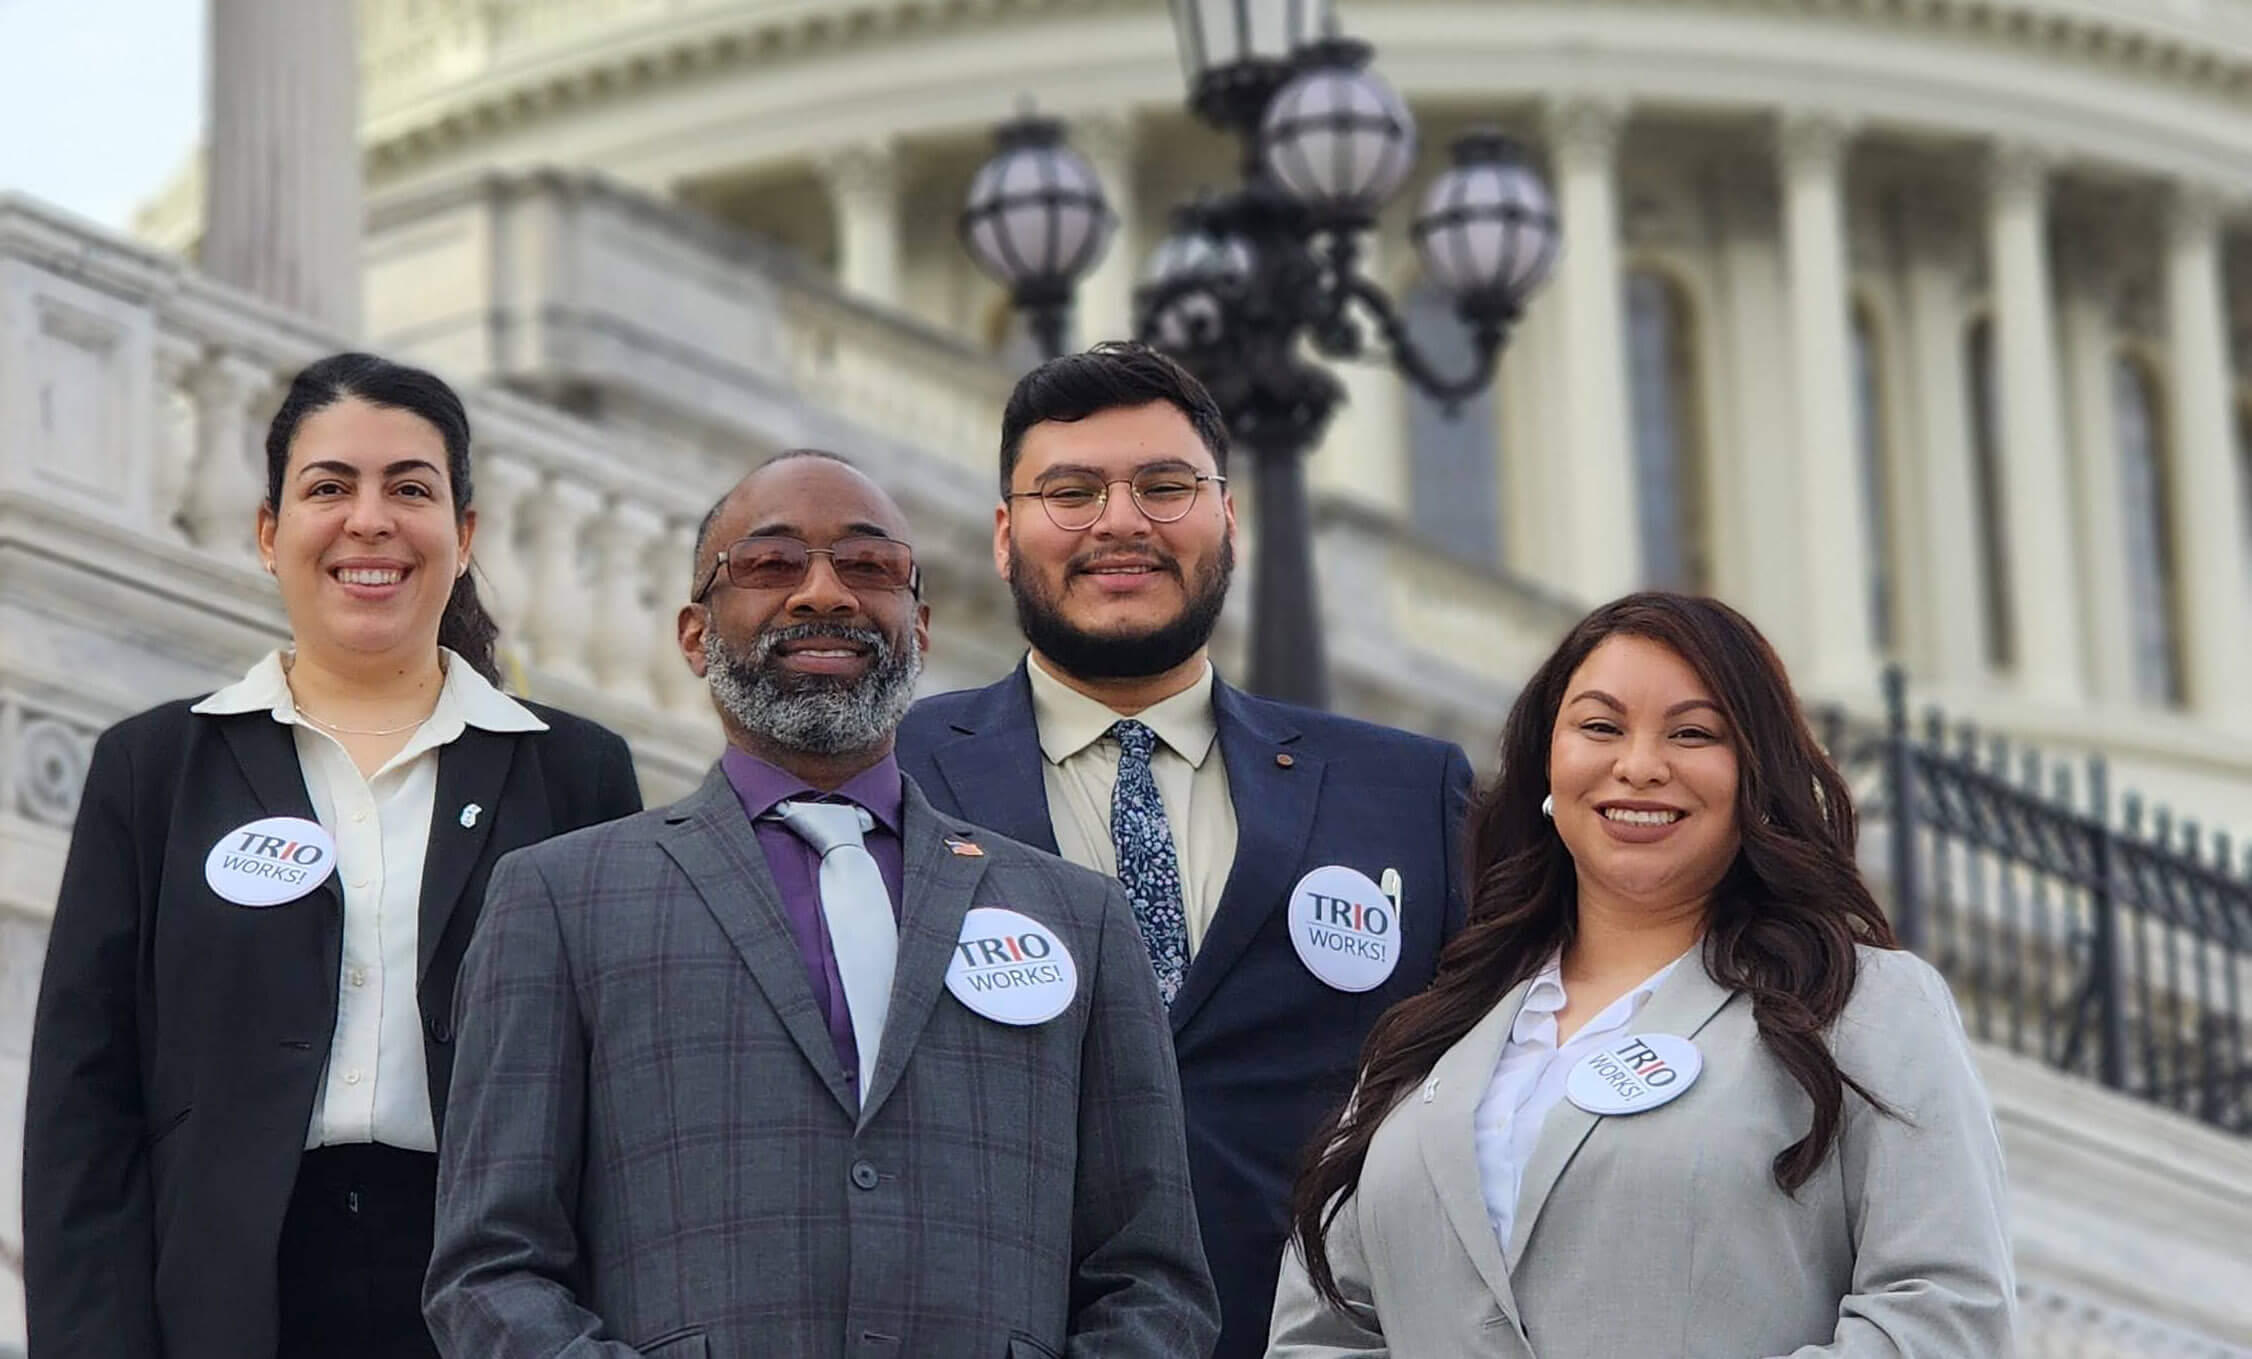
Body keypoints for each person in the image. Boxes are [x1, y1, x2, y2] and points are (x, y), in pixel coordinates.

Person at [423, 450, 1218, 1358]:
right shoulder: (560, 899)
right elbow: (492, 1267)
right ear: (694, 633)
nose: (823, 594)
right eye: (770, 565)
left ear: (918, 627)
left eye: (869, 567)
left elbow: (1154, 1280)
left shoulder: (1080, 917)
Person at [23, 352, 644, 1359]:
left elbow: (617, 1102)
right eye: (328, 487)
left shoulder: (573, 773)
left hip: (496, 1298)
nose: (370, 521)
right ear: (269, 533)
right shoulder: (155, 769)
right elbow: (82, 1111)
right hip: (226, 1300)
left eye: (410, 488)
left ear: (464, 533)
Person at [894, 343, 1474, 1359]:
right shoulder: (889, 780)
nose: (1120, 521)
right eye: (1069, 490)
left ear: (1228, 521)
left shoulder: (1406, 796)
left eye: (1164, 486)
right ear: (1001, 535)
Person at [1267, 592, 2016, 1358]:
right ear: (1547, 763)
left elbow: (1941, 1316)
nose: (1639, 766)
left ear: (1755, 776)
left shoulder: (1863, 1007)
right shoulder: (1429, 1037)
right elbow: (1322, 1331)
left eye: (1692, 733)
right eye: (1600, 726)